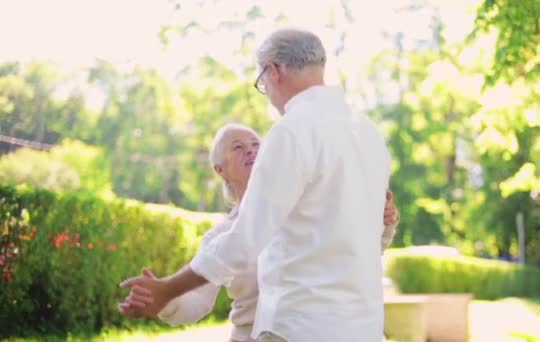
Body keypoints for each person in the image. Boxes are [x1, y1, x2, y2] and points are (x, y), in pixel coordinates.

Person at [118, 29, 393, 342]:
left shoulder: (291, 132)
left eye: (262, 82)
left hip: (300, 329)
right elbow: (353, 241)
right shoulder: (368, 133)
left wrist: (168, 289)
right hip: (364, 330)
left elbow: (245, 240)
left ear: (273, 72)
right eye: (238, 147)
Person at [120, 123, 399, 342]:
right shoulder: (221, 237)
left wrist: (384, 223)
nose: (251, 150)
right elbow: (196, 304)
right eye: (238, 147)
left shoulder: (303, 211)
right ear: (220, 169)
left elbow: (355, 255)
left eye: (256, 144)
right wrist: (164, 300)